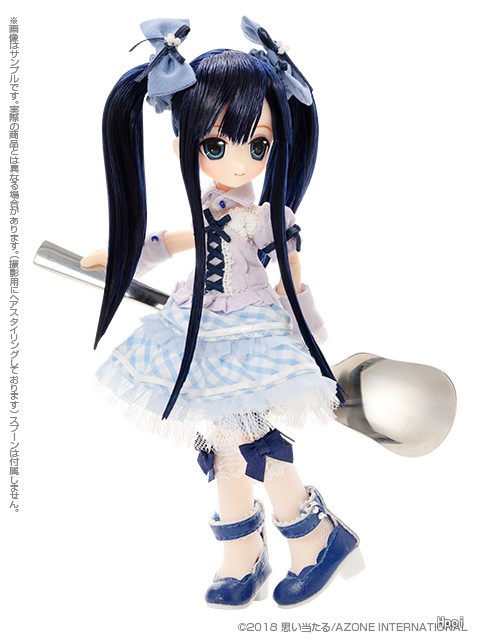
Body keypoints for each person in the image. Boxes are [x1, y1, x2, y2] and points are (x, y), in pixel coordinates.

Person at [81, 16, 361, 608]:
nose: (239, 163)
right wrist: (118, 254)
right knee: (221, 449)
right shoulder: (207, 212)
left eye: (257, 146)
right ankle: (243, 554)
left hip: (251, 333)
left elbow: (291, 274)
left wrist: (301, 316)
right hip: (197, 330)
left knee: (253, 441)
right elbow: (169, 242)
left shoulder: (265, 219)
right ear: (184, 147)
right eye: (216, 145)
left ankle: (315, 536)